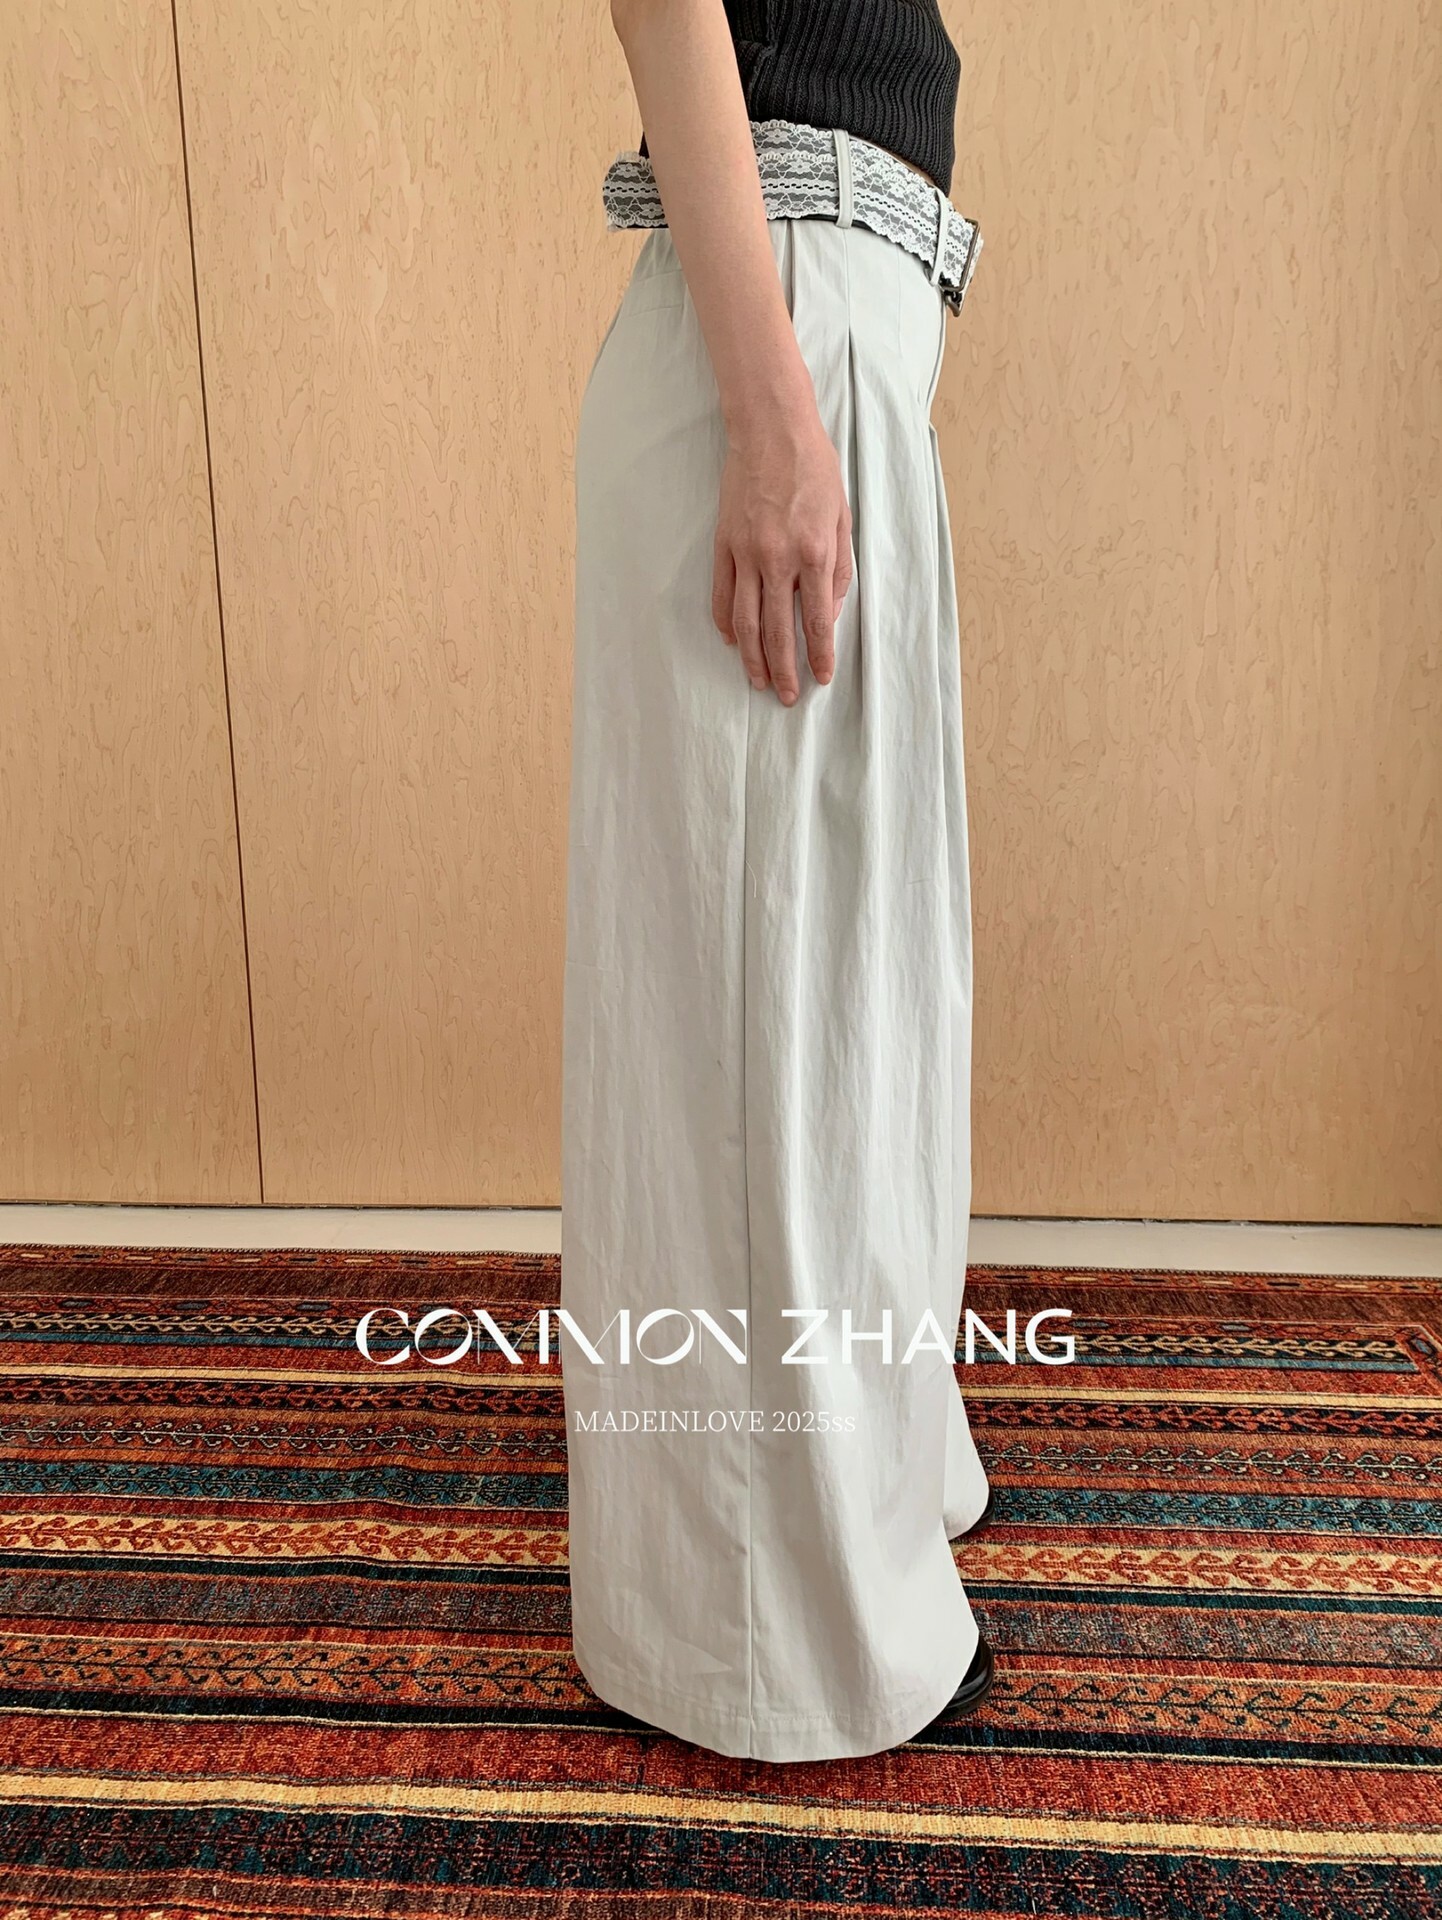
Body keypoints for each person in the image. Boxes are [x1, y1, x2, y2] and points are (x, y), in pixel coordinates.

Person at [560, 0, 993, 1763]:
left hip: (827, 315)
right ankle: (768, 1643)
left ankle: (870, 1486)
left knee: (849, 999)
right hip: (781, 325)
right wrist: (772, 415)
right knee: (767, 1029)